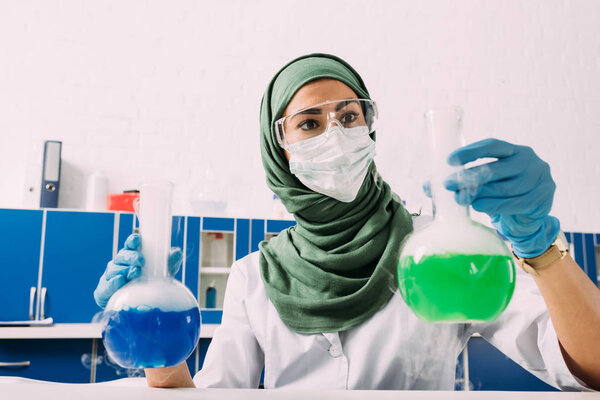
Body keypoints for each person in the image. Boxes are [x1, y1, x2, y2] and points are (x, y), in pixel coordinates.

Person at [94, 54, 600, 390]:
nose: (335, 135)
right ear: (280, 150)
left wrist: (540, 248)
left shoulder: (437, 252)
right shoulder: (254, 276)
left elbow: (588, 368)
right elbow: (217, 397)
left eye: (350, 116)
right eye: (310, 123)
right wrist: (154, 336)